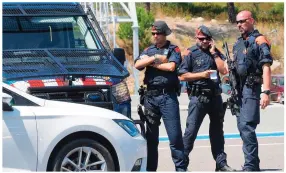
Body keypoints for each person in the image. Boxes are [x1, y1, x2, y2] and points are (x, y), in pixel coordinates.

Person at [178, 25, 235, 171]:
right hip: (198, 98)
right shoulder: (191, 53)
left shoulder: (215, 52)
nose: (204, 41)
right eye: (201, 39)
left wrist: (214, 53)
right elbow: (182, 75)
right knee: (190, 132)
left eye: (207, 39)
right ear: (196, 38)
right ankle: (182, 166)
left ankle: (221, 163)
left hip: (215, 97)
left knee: (217, 132)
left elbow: (224, 70)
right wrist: (202, 75)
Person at [134, 20, 186, 171]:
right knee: (151, 139)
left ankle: (181, 168)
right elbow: (137, 65)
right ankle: (151, 169)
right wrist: (155, 58)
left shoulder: (173, 49)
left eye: (158, 33)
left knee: (175, 137)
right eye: (153, 33)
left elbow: (171, 67)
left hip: (167, 97)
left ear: (165, 34)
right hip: (150, 98)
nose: (155, 36)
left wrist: (150, 63)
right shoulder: (149, 50)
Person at [233, 10, 273, 171]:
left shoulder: (259, 40)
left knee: (247, 126)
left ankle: (251, 166)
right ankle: (251, 163)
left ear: (251, 20)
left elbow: (266, 66)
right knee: (242, 127)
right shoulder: (238, 43)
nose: (239, 25)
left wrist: (266, 91)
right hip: (239, 90)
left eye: (242, 21)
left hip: (252, 87)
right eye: (237, 22)